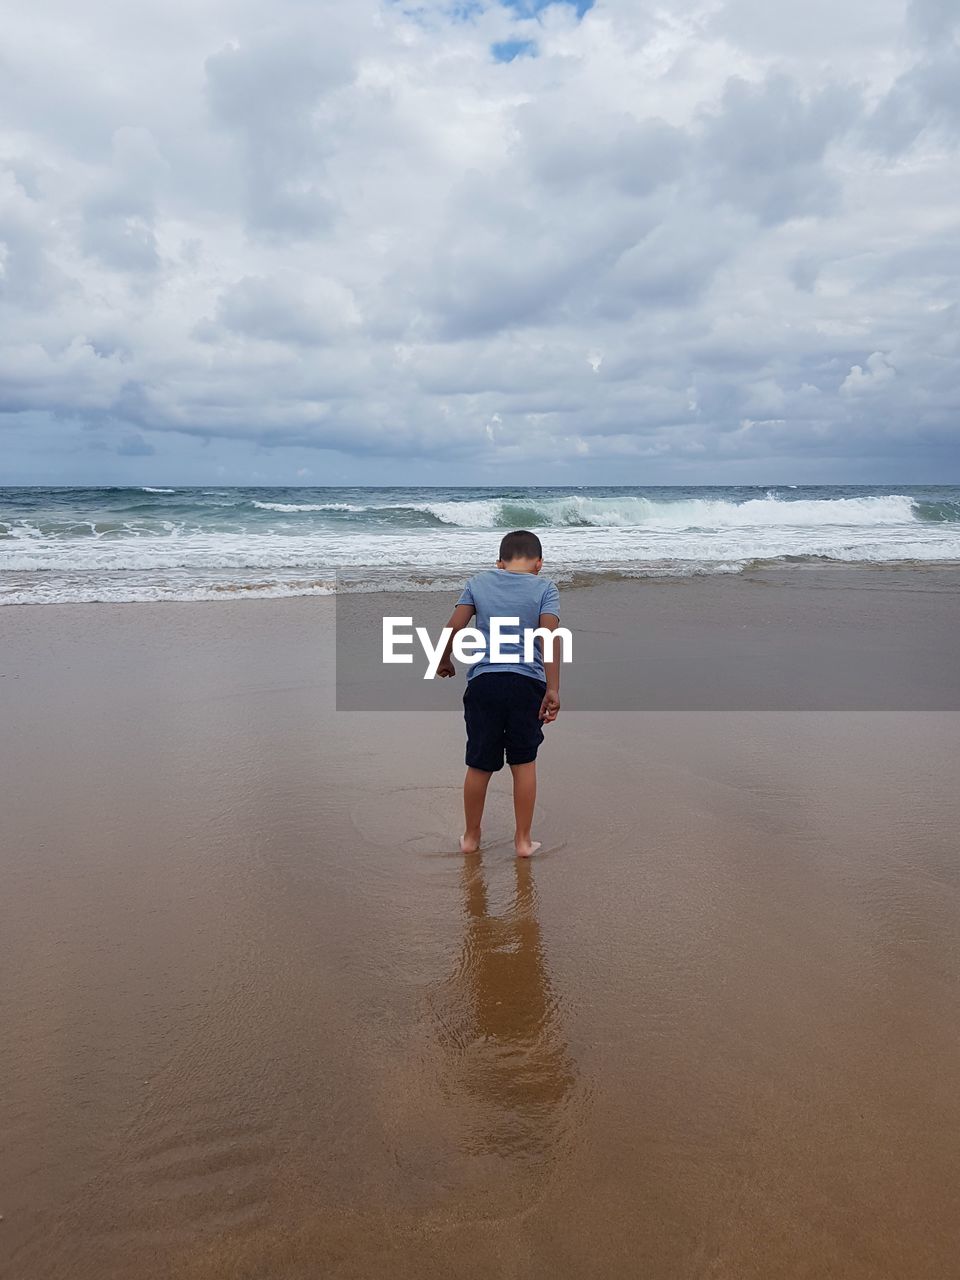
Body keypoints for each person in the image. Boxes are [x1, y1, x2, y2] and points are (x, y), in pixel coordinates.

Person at [436, 529, 561, 857]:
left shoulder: (477, 583)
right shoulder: (545, 588)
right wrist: (553, 688)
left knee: (479, 764)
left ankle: (471, 838)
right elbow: (549, 638)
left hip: (484, 684)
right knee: (524, 763)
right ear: (539, 563)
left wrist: (443, 659)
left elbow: (454, 626)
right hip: (526, 684)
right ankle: (522, 841)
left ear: (500, 562)